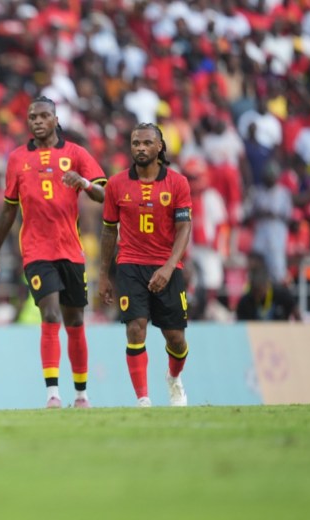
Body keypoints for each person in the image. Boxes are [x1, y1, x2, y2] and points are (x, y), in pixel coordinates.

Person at [0, 96, 106, 409]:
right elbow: (9, 211)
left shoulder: (76, 154)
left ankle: (81, 394)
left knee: (75, 321)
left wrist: (84, 183)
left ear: (55, 119)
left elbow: (105, 195)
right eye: (32, 117)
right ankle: (53, 393)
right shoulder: (17, 159)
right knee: (49, 313)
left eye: (42, 116)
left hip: (71, 250)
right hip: (37, 250)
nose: (36, 121)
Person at [98, 123, 192, 408]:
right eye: (136, 143)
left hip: (167, 266)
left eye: (147, 143)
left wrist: (168, 266)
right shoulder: (116, 184)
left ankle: (174, 379)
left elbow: (184, 228)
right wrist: (104, 274)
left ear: (160, 147)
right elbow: (108, 231)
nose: (140, 148)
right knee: (135, 328)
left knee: (175, 339)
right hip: (129, 265)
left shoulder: (177, 183)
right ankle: (143, 400)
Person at [235, 252, 300, 321]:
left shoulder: (282, 294)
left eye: (259, 290)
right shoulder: (246, 301)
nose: (257, 295)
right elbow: (240, 322)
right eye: (255, 290)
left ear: (266, 286)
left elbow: (296, 312)